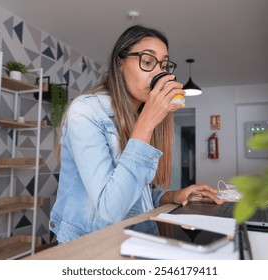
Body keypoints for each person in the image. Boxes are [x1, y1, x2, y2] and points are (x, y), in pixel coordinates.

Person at [49, 25, 223, 244]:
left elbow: (133, 196)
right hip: (91, 245)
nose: (159, 73)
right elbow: (111, 208)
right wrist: (147, 122)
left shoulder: (135, 117)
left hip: (137, 239)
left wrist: (171, 196)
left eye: (163, 65)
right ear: (120, 63)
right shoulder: (85, 111)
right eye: (148, 62)